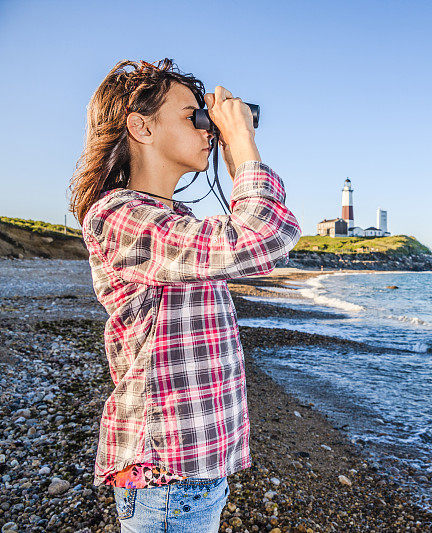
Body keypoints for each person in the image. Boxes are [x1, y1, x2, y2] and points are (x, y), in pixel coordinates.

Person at [68, 58, 302, 532]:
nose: (206, 127)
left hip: (191, 469)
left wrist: (238, 160)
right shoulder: (119, 216)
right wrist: (243, 143)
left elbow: (254, 237)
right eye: (191, 114)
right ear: (141, 127)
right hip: (167, 473)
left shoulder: (168, 217)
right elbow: (260, 236)